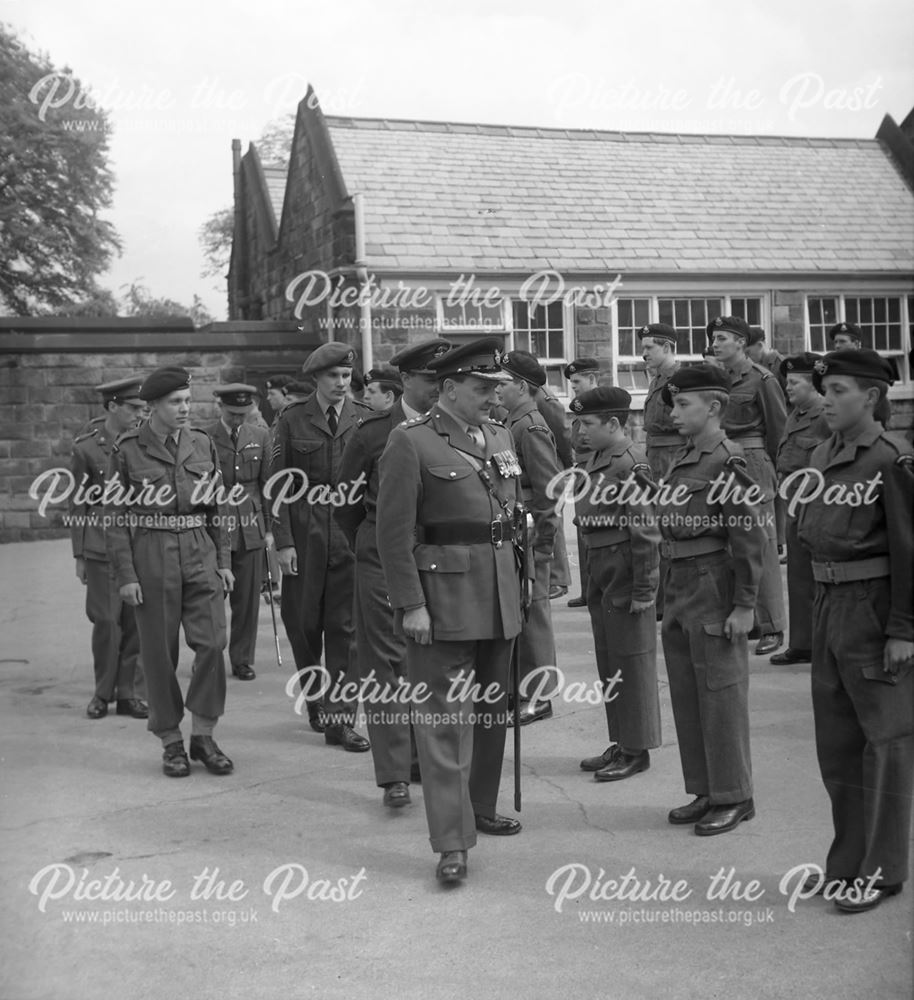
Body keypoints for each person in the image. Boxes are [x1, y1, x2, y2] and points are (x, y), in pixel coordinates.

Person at [377, 337, 524, 884]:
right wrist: (410, 604)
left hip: (501, 596)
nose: (492, 395)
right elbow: (392, 535)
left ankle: (479, 807)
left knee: (489, 716)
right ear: (449, 388)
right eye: (483, 387)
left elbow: (513, 516)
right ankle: (452, 842)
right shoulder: (409, 442)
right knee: (443, 725)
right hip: (441, 604)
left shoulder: (501, 435)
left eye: (495, 387)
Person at [795, 349, 913, 913]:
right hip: (828, 604)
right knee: (839, 747)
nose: (828, 400)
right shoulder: (823, 452)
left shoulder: (891, 459)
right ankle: (846, 861)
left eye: (839, 390)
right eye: (826, 390)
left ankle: (883, 870)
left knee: (884, 745)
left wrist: (904, 630)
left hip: (873, 609)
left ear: (870, 397)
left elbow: (910, 551)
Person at [335, 339, 450, 808]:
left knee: (432, 659)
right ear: (405, 380)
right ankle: (395, 772)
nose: (438, 389)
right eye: (429, 380)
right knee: (386, 663)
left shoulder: (454, 427)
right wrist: (372, 544)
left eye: (444, 381)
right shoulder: (372, 432)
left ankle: (426, 754)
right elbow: (343, 503)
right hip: (382, 556)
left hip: (439, 556)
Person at [105, 366, 235, 778]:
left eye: (187, 401)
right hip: (151, 553)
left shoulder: (200, 443)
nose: (184, 409)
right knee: (160, 654)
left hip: (199, 548)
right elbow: (114, 517)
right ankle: (171, 742)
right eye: (175, 403)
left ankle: (203, 735)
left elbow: (218, 507)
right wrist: (126, 575)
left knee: (213, 643)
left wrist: (225, 563)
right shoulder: (128, 450)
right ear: (154, 407)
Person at [657, 364, 766, 835]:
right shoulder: (685, 456)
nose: (675, 412)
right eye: (674, 404)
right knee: (688, 693)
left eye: (684, 404)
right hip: (681, 583)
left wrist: (745, 605)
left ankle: (735, 795)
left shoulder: (727, 460)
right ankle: (705, 789)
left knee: (720, 694)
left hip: (712, 583)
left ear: (715, 407)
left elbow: (750, 540)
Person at [270, 342, 370, 751]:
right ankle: (317, 700)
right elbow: (276, 486)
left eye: (347, 377)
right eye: (333, 377)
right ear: (316, 379)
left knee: (347, 630)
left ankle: (341, 717)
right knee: (303, 624)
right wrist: (284, 543)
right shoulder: (292, 420)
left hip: (349, 531)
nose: (342, 384)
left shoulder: (364, 419)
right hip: (305, 529)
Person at [571, 387, 662, 782]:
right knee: (610, 658)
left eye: (588, 423)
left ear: (613, 423)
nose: (580, 431)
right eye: (577, 423)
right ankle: (622, 739)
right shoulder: (599, 457)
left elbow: (645, 530)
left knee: (632, 659)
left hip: (623, 564)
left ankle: (637, 748)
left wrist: (645, 590)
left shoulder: (630, 462)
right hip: (599, 563)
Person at [70, 376, 147, 721]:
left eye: (143, 408)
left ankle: (131, 693)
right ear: (112, 407)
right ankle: (103, 692)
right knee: (106, 622)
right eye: (133, 408)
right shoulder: (86, 448)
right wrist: (79, 555)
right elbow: (77, 504)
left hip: (141, 542)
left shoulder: (146, 442)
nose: (140, 414)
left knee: (137, 622)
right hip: (101, 545)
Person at [709, 315, 787, 656]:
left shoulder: (762, 378)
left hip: (754, 464)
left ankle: (773, 626)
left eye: (723, 337)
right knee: (732, 544)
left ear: (741, 342)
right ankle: (749, 617)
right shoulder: (717, 378)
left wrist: (774, 471)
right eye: (714, 337)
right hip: (724, 463)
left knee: (762, 545)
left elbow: (778, 431)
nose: (715, 343)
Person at [496, 351, 562, 726]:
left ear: (522, 386)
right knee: (519, 617)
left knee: (534, 620)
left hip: (531, 535)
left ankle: (539, 697)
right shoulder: (511, 422)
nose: (497, 389)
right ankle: (519, 689)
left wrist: (542, 547)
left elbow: (549, 492)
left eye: (503, 383)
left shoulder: (530, 427)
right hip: (516, 534)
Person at [205, 384, 272, 681]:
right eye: (232, 413)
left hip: (250, 525)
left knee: (247, 600)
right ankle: (209, 655)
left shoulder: (259, 435)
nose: (237, 419)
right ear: (220, 407)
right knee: (211, 597)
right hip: (214, 525)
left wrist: (271, 529)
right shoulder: (204, 437)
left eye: (243, 414)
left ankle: (242, 659)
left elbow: (268, 486)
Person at [771, 354, 829, 666]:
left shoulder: (824, 415)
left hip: (815, 502)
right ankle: (803, 643)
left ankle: (819, 645)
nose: (788, 388)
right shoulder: (797, 413)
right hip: (794, 500)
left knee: (816, 577)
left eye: (795, 383)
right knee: (797, 577)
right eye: (788, 382)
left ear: (813, 384)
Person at [564, 357, 601, 607]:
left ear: (591, 379)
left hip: (595, 470)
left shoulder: (601, 407)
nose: (573, 386)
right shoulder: (582, 408)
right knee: (581, 531)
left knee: (595, 531)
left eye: (577, 381)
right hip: (582, 470)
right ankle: (588, 591)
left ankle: (597, 590)